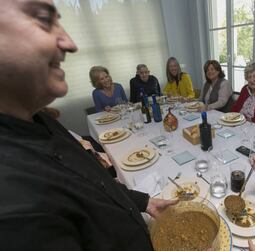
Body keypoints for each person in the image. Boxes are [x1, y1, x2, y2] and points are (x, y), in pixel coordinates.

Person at [0, 1, 176, 250]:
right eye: (42, 19)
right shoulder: (11, 208)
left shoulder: (41, 120)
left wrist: (144, 202)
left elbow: (95, 182)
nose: (70, 42)